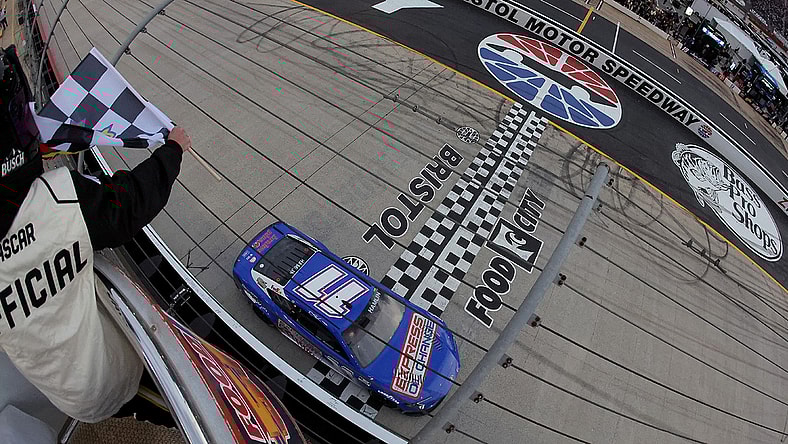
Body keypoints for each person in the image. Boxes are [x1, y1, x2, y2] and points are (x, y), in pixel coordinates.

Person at [0, 45, 192, 423]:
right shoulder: (58, 195)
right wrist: (172, 151)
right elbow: (128, 205)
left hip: (70, 401)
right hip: (121, 370)